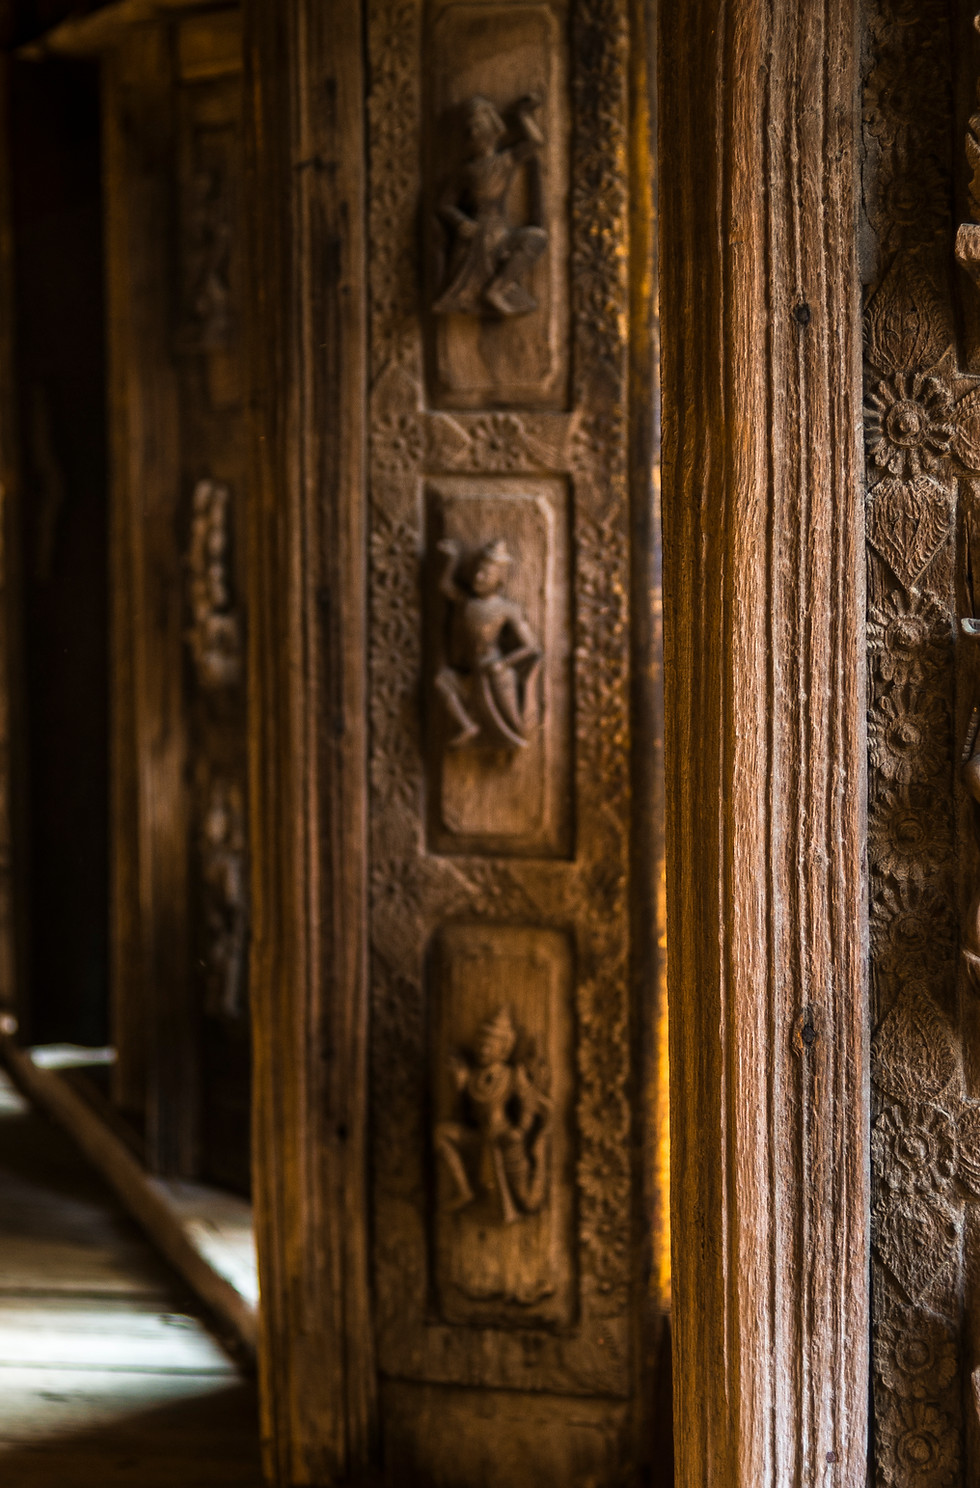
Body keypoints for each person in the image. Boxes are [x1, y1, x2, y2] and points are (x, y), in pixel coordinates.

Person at [433, 94, 547, 318]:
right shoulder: (467, 171)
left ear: (492, 129)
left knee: (537, 237)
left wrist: (523, 116)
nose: (474, 134)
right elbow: (444, 204)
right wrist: (460, 222)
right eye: (470, 130)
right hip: (478, 233)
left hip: (502, 232)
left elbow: (535, 143)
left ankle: (498, 288)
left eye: (478, 127)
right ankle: (483, 289)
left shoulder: (505, 161)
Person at [435, 537, 541, 749]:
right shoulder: (467, 601)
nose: (478, 577)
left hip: (495, 671)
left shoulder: (507, 609)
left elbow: (532, 647)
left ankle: (514, 735)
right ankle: (468, 725)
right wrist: (453, 560)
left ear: (499, 580)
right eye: (477, 571)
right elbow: (445, 586)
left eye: (486, 574)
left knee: (511, 723)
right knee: (443, 681)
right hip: (471, 670)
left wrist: (504, 663)